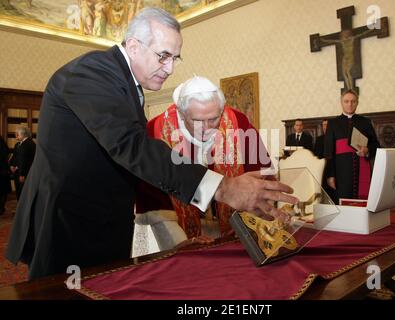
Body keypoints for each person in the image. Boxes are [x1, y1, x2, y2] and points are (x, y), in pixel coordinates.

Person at [6, 8, 296, 280]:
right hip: (67, 226)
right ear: (133, 46)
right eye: (163, 56)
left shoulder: (125, 81)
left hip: (102, 223)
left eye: (175, 58)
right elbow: (132, 147)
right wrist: (223, 187)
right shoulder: (91, 73)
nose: (169, 68)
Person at [135, 76, 271, 244]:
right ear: (182, 113)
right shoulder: (155, 130)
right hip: (182, 232)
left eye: (213, 119)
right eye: (197, 121)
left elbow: (259, 180)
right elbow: (155, 204)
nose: (206, 128)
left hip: (237, 230)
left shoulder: (238, 122)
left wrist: (248, 227)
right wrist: (180, 244)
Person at [324, 89, 380, 203]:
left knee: (363, 204)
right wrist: (330, 175)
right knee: (343, 204)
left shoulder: (365, 122)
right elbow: (328, 152)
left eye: (353, 101)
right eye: (346, 101)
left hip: (362, 169)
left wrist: (367, 149)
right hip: (341, 172)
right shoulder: (333, 123)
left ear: (357, 103)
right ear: (341, 102)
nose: (350, 104)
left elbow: (376, 145)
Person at [8, 126, 36, 200]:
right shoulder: (18, 144)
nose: (16, 136)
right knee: (19, 192)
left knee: (23, 193)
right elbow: (14, 156)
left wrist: (22, 174)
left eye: (17, 134)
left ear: (23, 134)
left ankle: (22, 210)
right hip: (17, 172)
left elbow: (25, 160)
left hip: (24, 173)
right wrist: (11, 165)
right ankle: (19, 209)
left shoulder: (29, 144)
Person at [0, 135, 11, 215]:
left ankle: (1, 208)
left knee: (2, 191)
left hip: (2, 171)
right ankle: (1, 208)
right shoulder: (3, 144)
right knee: (3, 191)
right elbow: (7, 154)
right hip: (4, 170)